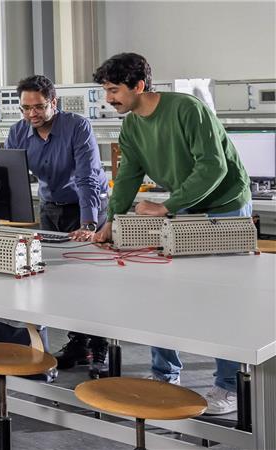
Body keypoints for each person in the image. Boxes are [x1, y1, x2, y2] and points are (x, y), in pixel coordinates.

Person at [92, 53, 251, 415]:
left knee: (224, 299)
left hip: (224, 205)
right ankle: (164, 375)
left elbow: (213, 166)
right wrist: (111, 220)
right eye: (106, 91)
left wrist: (168, 206)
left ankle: (229, 386)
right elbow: (128, 176)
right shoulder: (131, 127)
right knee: (163, 292)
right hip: (186, 205)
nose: (108, 98)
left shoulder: (186, 110)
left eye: (114, 90)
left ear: (138, 86)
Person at [0, 74, 110, 376]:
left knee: (91, 281)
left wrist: (89, 223)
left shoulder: (77, 126)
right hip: (51, 207)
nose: (32, 114)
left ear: (53, 102)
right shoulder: (18, 132)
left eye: (39, 106)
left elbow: (87, 177)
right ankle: (78, 344)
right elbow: (10, 176)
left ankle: (99, 347)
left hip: (87, 207)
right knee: (57, 280)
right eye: (26, 108)